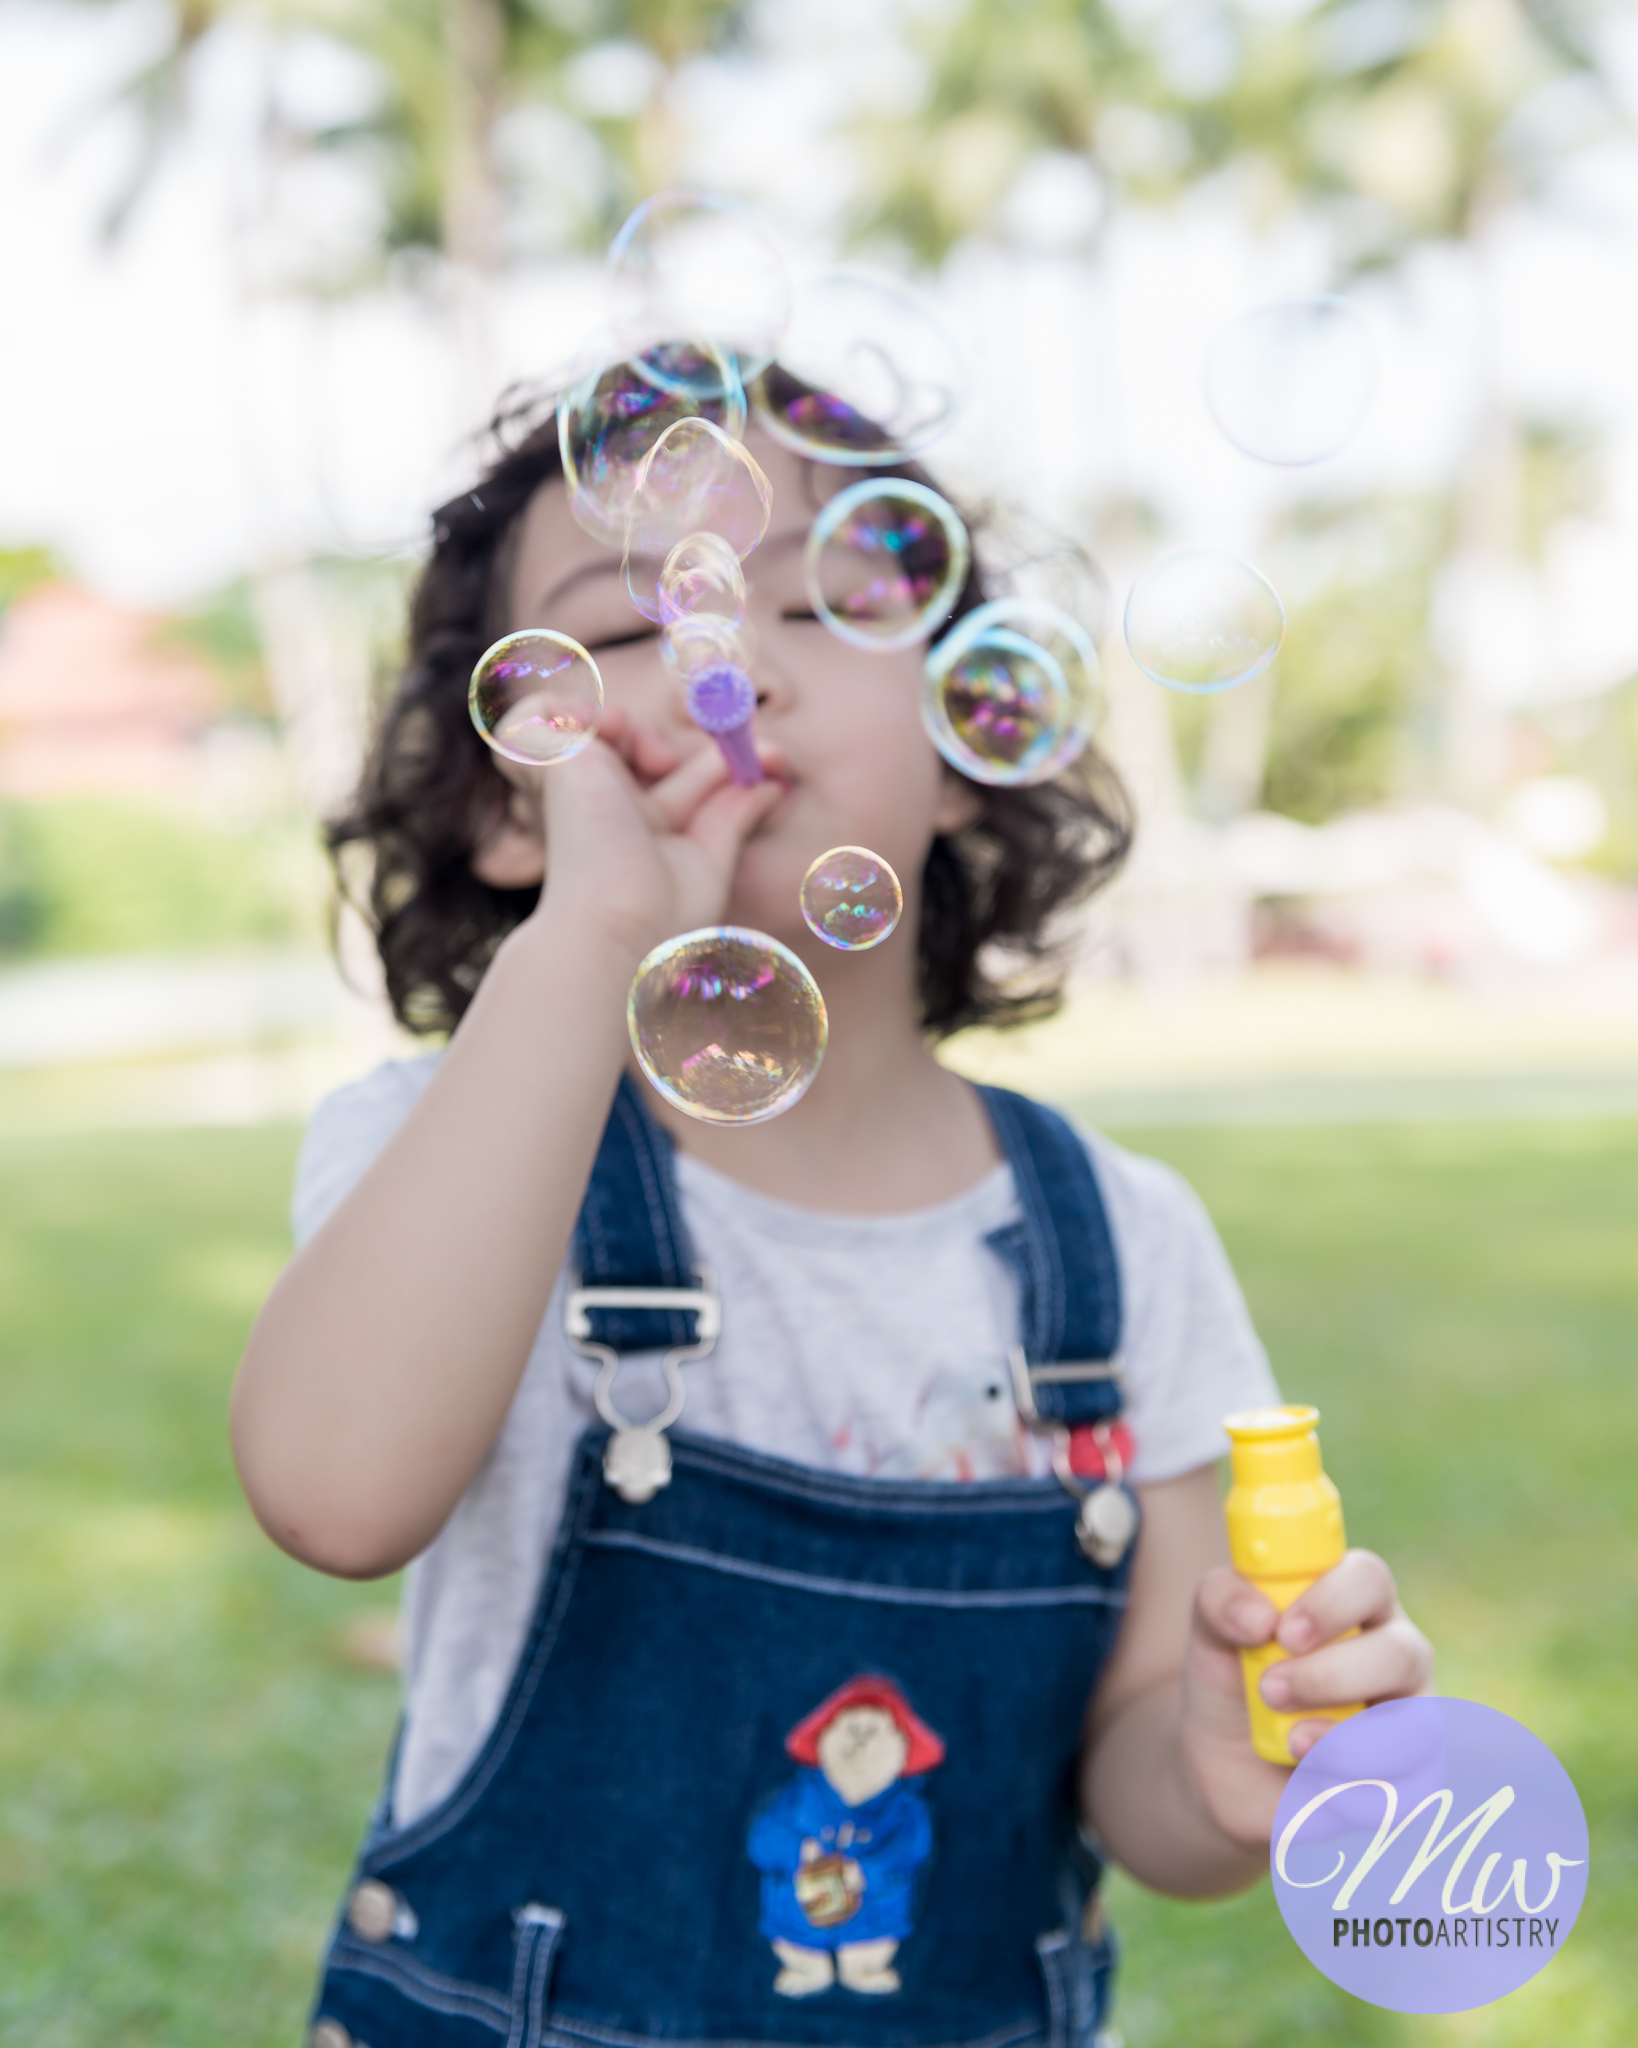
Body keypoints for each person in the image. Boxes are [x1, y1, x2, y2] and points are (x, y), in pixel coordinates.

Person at [231, 399, 1434, 2048]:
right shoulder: (440, 1156)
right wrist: (597, 933)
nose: (740, 659)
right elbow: (333, 1491)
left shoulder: (1121, 1241)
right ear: (509, 803)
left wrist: (1218, 1760)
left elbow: (1136, 1767)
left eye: (816, 603)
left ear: (965, 736)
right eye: (633, 622)